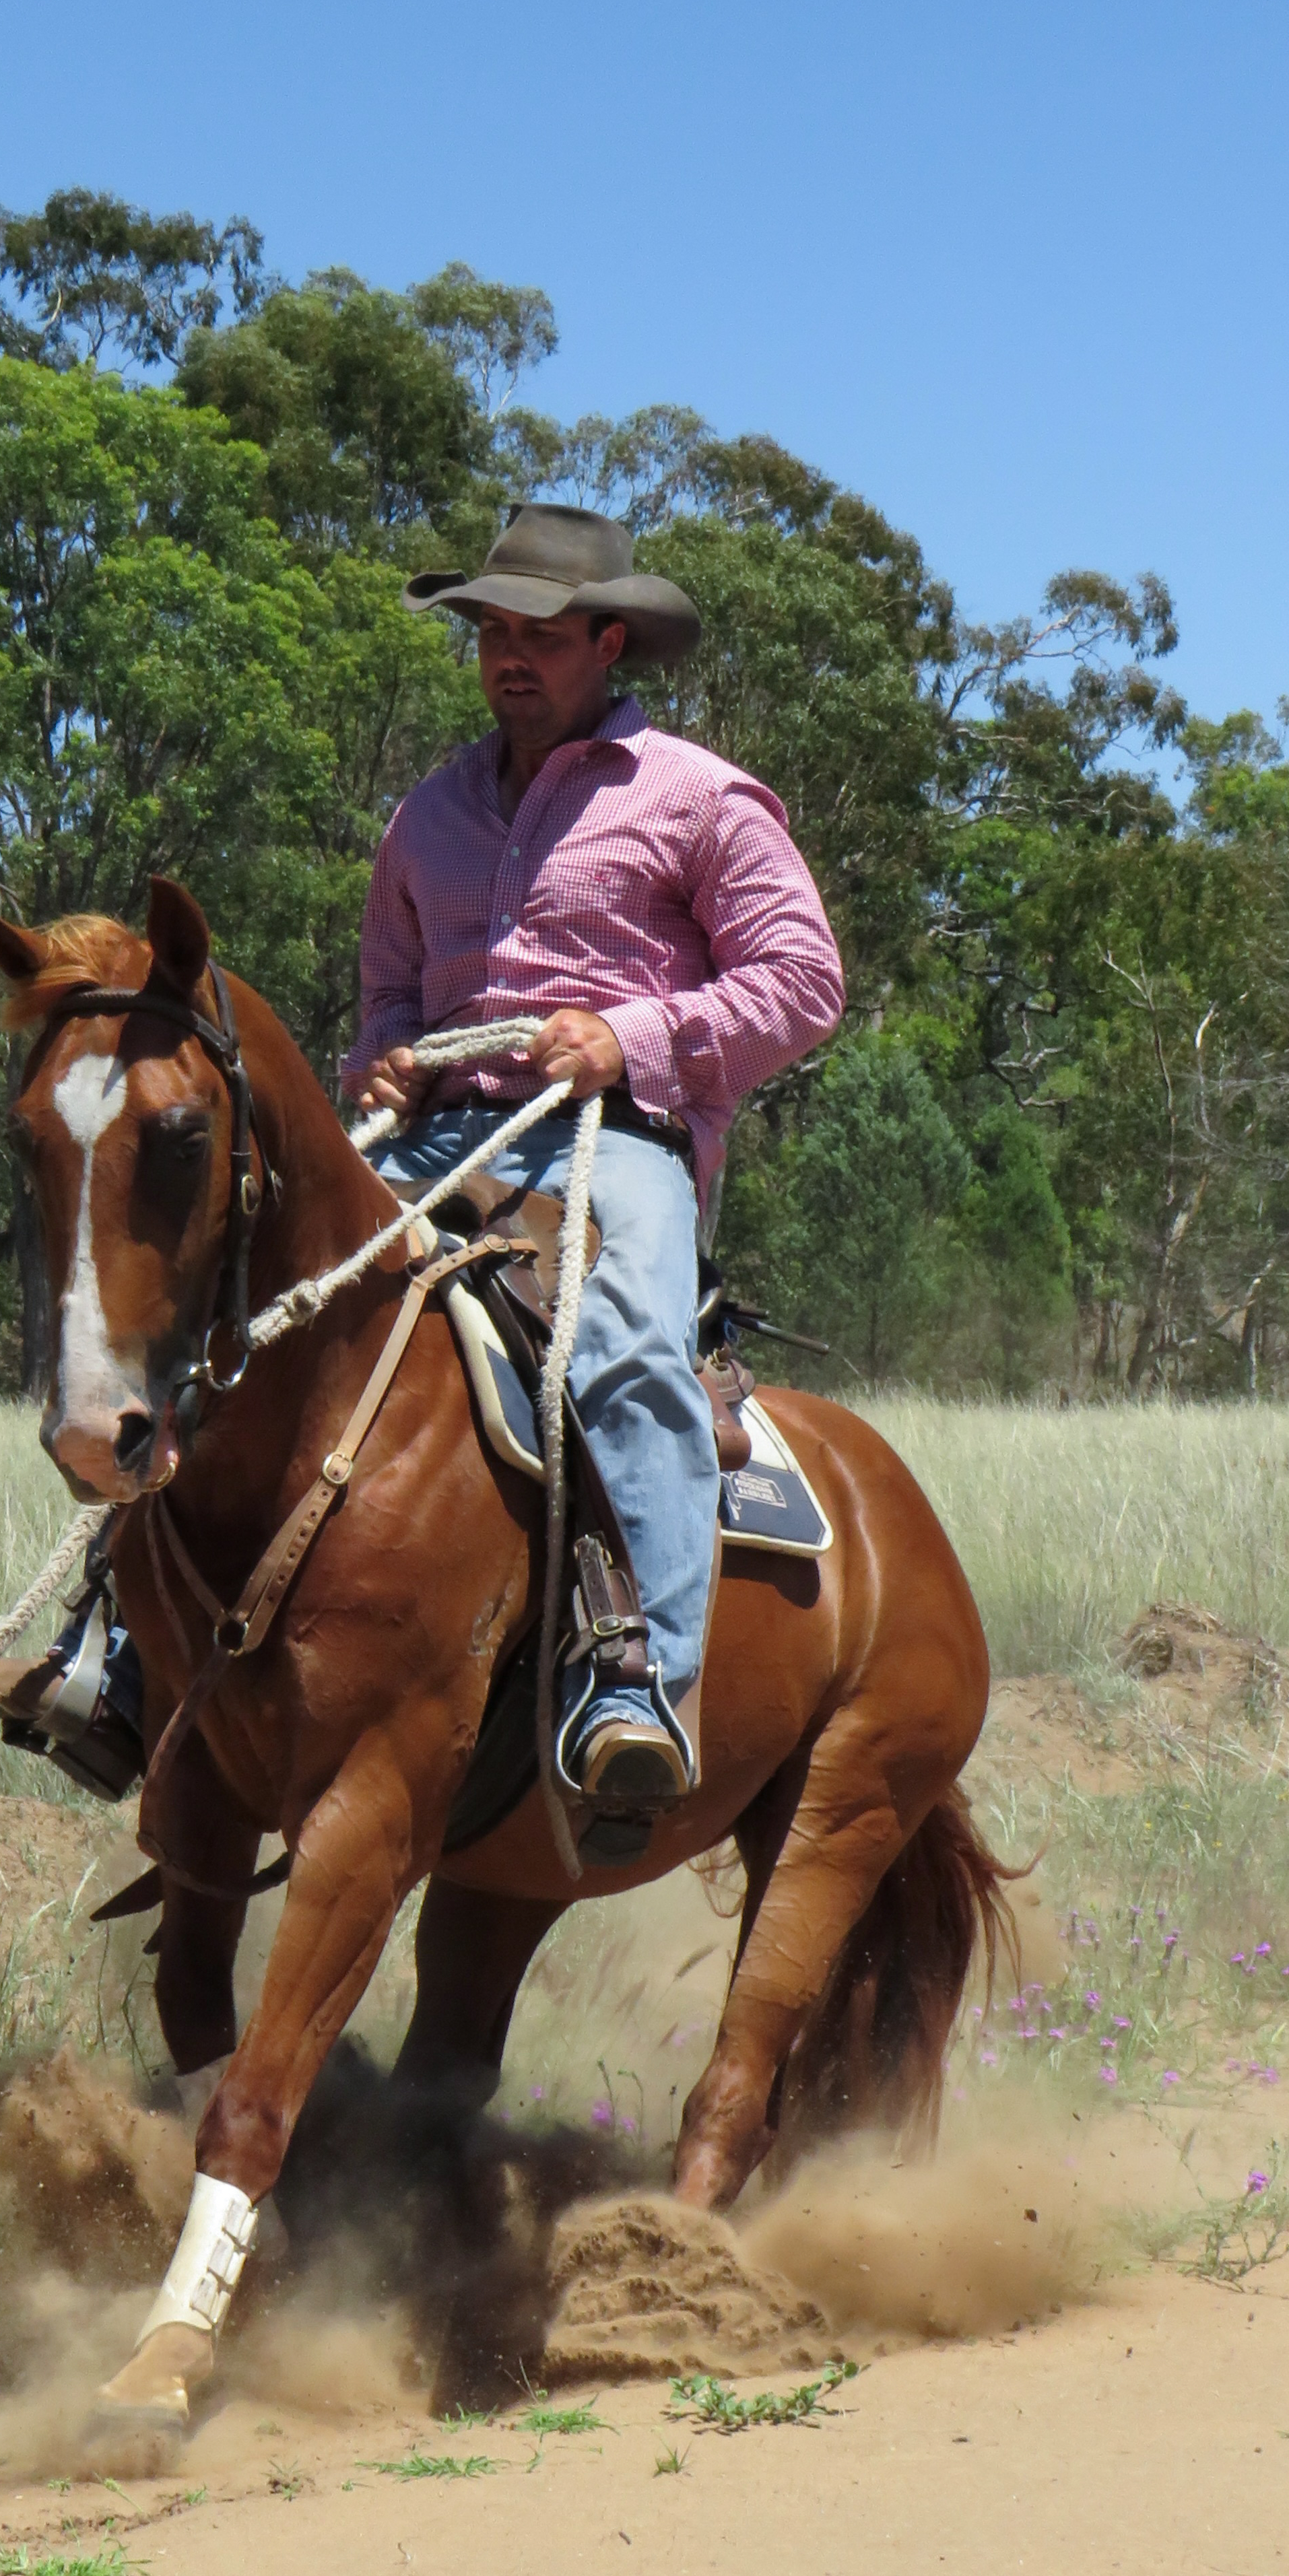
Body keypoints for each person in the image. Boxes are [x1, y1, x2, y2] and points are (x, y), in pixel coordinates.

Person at [345, 501, 843, 1820]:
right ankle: (119, 1645)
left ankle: (638, 1691)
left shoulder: (697, 799)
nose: (509, 657)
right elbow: (388, 990)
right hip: (439, 1133)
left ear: (608, 643)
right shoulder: (426, 817)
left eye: (542, 636)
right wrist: (386, 1059)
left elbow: (803, 982)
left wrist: (630, 1039)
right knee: (255, 1292)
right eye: (492, 634)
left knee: (619, 1347)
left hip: (613, 1140)